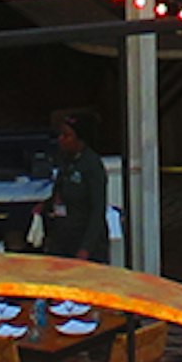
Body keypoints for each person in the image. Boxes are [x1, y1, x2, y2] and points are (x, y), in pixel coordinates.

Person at [38, 108, 111, 263]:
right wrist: (46, 205)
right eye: (61, 135)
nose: (61, 139)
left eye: (67, 136)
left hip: (83, 241)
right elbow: (62, 190)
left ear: (80, 140)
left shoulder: (92, 166)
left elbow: (97, 210)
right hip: (63, 236)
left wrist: (86, 248)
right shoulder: (65, 160)